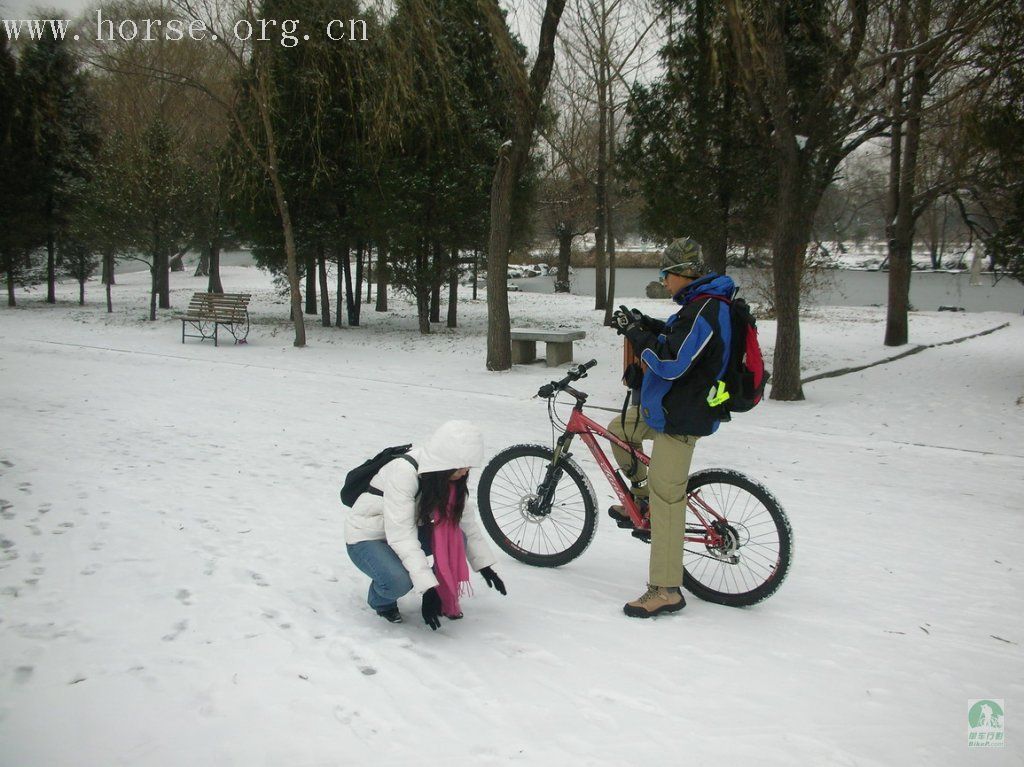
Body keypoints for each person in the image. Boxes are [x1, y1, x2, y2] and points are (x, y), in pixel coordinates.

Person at [608, 237, 734, 618]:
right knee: (620, 430)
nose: (663, 281)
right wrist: (647, 325)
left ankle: (665, 589)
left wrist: (638, 336)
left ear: (683, 273)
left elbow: (674, 362)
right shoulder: (696, 306)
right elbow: (677, 339)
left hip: (683, 416)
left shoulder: (708, 309)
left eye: (666, 274)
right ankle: (640, 497)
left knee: (668, 502)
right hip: (664, 408)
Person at [344, 420, 507, 628]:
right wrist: (428, 588)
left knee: (458, 537)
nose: (465, 473)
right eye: (461, 467)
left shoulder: (448, 478)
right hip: (368, 536)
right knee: (399, 581)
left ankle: (441, 593)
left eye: (468, 467)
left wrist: (485, 566)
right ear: (446, 461)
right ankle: (381, 601)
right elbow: (402, 535)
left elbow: (466, 524)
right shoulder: (404, 472)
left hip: (403, 530)